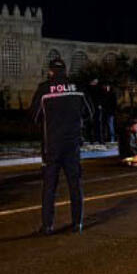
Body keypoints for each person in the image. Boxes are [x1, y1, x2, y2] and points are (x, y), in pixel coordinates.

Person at [29, 59, 92, 235]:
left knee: (50, 186)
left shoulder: (44, 89)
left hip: (52, 145)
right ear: (65, 71)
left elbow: (33, 116)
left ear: (51, 72)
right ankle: (77, 223)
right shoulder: (78, 89)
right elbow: (90, 112)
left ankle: (48, 225)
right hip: (72, 144)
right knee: (75, 184)